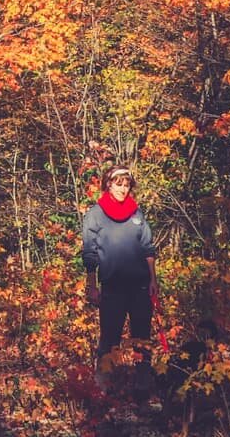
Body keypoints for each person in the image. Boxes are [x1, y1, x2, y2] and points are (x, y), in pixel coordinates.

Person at [81, 164, 159, 394]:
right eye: (118, 184)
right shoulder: (96, 214)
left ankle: (143, 385)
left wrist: (153, 280)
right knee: (110, 337)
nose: (122, 189)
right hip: (112, 287)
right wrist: (91, 284)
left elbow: (148, 249)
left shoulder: (137, 213)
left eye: (126, 185)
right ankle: (103, 387)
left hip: (140, 286)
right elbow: (89, 252)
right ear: (108, 184)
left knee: (142, 337)